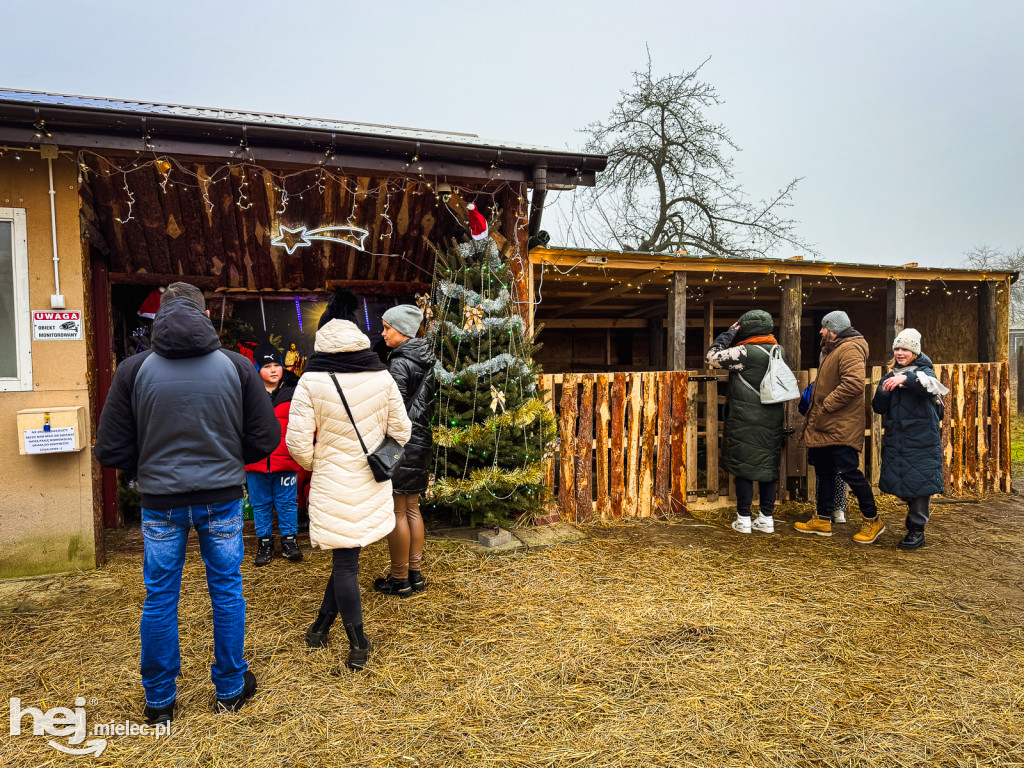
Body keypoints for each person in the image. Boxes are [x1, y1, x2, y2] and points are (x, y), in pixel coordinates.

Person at [94, 282, 280, 724]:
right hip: (222, 500)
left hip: (161, 502)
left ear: (162, 317)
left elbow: (110, 450)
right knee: (227, 590)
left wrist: (150, 461)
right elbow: (266, 438)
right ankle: (231, 689)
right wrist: (229, 457)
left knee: (159, 598)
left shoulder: (133, 370)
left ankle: (159, 701)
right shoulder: (237, 366)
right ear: (204, 315)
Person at [286, 289, 412, 671]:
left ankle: (337, 635)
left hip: (331, 479)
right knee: (347, 558)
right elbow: (401, 431)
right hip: (371, 478)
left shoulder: (311, 380)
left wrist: (318, 462)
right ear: (358, 335)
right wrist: (378, 452)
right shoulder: (381, 375)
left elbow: (295, 442)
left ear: (322, 336)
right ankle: (346, 638)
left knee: (345, 560)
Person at [796, 311, 885, 543]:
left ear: (833, 330)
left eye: (824, 327)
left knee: (849, 472)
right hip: (827, 423)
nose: (820, 331)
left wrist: (826, 404)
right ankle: (823, 519)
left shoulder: (850, 349)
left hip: (839, 423)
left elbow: (854, 384)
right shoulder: (835, 349)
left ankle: (872, 520)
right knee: (824, 470)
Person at [374, 305, 435, 595]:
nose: (383, 333)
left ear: (403, 331)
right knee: (412, 507)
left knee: (398, 510)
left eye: (387, 328)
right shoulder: (427, 358)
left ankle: (399, 579)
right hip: (422, 440)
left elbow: (394, 408)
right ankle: (416, 575)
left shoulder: (399, 362)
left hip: (403, 440)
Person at [706, 310, 786, 534]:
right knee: (767, 466)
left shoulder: (744, 352)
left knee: (744, 466)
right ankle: (766, 518)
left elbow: (712, 357)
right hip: (772, 416)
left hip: (745, 416)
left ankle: (743, 519)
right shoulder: (779, 351)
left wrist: (729, 333)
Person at [871, 328, 947, 550]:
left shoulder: (925, 372)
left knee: (920, 486)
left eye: (905, 349)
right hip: (899, 440)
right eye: (897, 348)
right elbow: (878, 408)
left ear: (914, 352)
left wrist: (906, 378)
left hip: (921, 440)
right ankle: (913, 524)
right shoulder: (890, 375)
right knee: (907, 483)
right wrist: (883, 391)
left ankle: (917, 530)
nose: (900, 353)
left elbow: (927, 385)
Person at [245, 343, 303, 566]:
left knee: (287, 502)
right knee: (260, 503)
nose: (273, 370)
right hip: (256, 461)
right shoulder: (249, 394)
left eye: (276, 365)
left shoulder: (294, 392)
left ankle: (289, 541)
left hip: (285, 460)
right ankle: (265, 542)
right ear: (257, 368)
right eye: (267, 365)